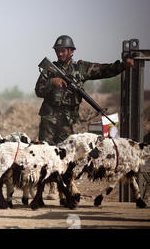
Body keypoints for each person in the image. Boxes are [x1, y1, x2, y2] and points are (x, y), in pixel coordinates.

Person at [35, 35, 134, 199]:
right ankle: (49, 188)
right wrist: (53, 82)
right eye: (58, 51)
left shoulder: (80, 68)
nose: (60, 54)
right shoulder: (50, 70)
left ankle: (63, 189)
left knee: (67, 155)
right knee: (45, 151)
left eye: (63, 51)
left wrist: (123, 66)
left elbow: (103, 70)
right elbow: (38, 90)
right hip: (49, 118)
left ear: (71, 51)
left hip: (68, 119)